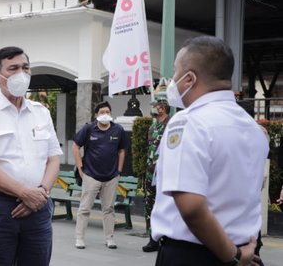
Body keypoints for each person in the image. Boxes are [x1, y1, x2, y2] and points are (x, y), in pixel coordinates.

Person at [151, 36, 269, 266]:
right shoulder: (253, 129)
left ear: (190, 78)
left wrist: (233, 257)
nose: (172, 81)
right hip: (247, 251)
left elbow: (191, 207)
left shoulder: (188, 122)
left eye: (175, 72)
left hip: (196, 255)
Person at [0, 46, 62, 266]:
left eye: (25, 68)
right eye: (13, 68)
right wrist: (24, 193)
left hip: (38, 205)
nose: (21, 74)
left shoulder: (40, 112)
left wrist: (40, 193)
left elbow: (53, 158)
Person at [73, 101, 126, 250]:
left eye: (107, 112)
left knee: (108, 209)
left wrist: (119, 171)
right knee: (84, 208)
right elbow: (75, 146)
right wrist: (80, 168)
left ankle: (109, 238)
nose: (105, 115)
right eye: (102, 112)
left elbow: (122, 150)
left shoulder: (118, 130)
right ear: (96, 115)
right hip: (90, 175)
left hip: (111, 176)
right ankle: (79, 238)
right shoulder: (89, 129)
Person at [142, 99, 170, 252]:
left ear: (162, 108)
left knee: (163, 206)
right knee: (150, 205)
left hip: (164, 174)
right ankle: (152, 239)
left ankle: (164, 238)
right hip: (149, 173)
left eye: (155, 106)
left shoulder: (170, 126)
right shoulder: (153, 127)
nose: (152, 109)